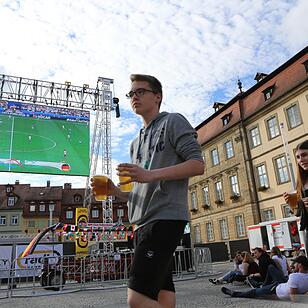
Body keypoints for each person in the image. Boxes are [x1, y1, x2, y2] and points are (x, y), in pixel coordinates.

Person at [92, 74, 204, 308]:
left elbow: (197, 164)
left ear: (157, 96)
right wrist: (114, 191)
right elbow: (139, 193)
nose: (134, 97)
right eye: (131, 94)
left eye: (140, 92)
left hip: (165, 217)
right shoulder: (134, 143)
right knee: (163, 294)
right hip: (141, 222)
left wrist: (150, 174)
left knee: (137, 299)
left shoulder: (172, 121)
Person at [221, 256, 308, 302]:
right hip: (282, 284)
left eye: (295, 263)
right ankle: (263, 284)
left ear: (300, 265)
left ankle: (235, 294)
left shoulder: (294, 276)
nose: (293, 265)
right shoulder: (299, 276)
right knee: (270, 267)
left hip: (276, 289)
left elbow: (294, 298)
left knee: (255, 292)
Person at [283, 140, 308, 257]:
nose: (300, 160)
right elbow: (298, 213)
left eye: (304, 155)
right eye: (297, 157)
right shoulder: (301, 181)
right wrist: (290, 203)